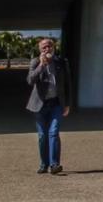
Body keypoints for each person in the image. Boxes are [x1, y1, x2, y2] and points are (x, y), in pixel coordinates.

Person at [26, 37, 71, 175]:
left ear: (54, 47)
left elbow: (67, 84)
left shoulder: (62, 62)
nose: (47, 49)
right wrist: (41, 65)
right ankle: (43, 164)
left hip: (56, 103)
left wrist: (67, 104)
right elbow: (30, 80)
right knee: (42, 136)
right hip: (40, 104)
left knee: (53, 132)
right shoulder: (35, 62)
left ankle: (54, 164)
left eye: (49, 46)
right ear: (40, 50)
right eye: (44, 47)